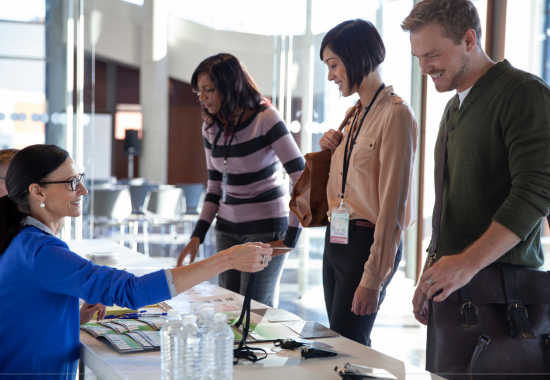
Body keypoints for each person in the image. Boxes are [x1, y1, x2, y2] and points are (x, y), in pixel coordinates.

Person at [0, 144, 272, 378]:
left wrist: (70, 317)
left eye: (80, 178)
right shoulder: (40, 250)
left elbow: (24, 315)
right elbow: (130, 291)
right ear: (38, 192)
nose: (82, 190)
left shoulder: (24, 240)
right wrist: (225, 260)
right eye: (72, 182)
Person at [402, 0, 550, 347]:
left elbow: (536, 191)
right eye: (419, 58)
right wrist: (431, 270)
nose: (425, 67)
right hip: (455, 290)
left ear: (469, 40)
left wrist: (466, 263)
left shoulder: (524, 93)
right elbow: (450, 203)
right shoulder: (454, 107)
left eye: (433, 55)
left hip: (503, 296)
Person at [176, 53, 305, 308]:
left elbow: (301, 178)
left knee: (253, 312)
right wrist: (196, 237)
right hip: (227, 230)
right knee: (229, 308)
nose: (202, 98)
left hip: (267, 230)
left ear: (230, 86)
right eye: (199, 91)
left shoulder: (266, 119)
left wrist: (291, 237)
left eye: (208, 90)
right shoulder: (211, 127)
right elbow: (214, 187)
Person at [318, 19, 418, 346]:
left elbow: (393, 206)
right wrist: (331, 150)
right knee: (339, 341)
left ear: (356, 56)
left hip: (364, 243)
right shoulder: (354, 114)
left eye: (334, 65)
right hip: (336, 237)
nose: (331, 75)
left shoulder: (395, 114)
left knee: (349, 345)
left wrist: (374, 277)